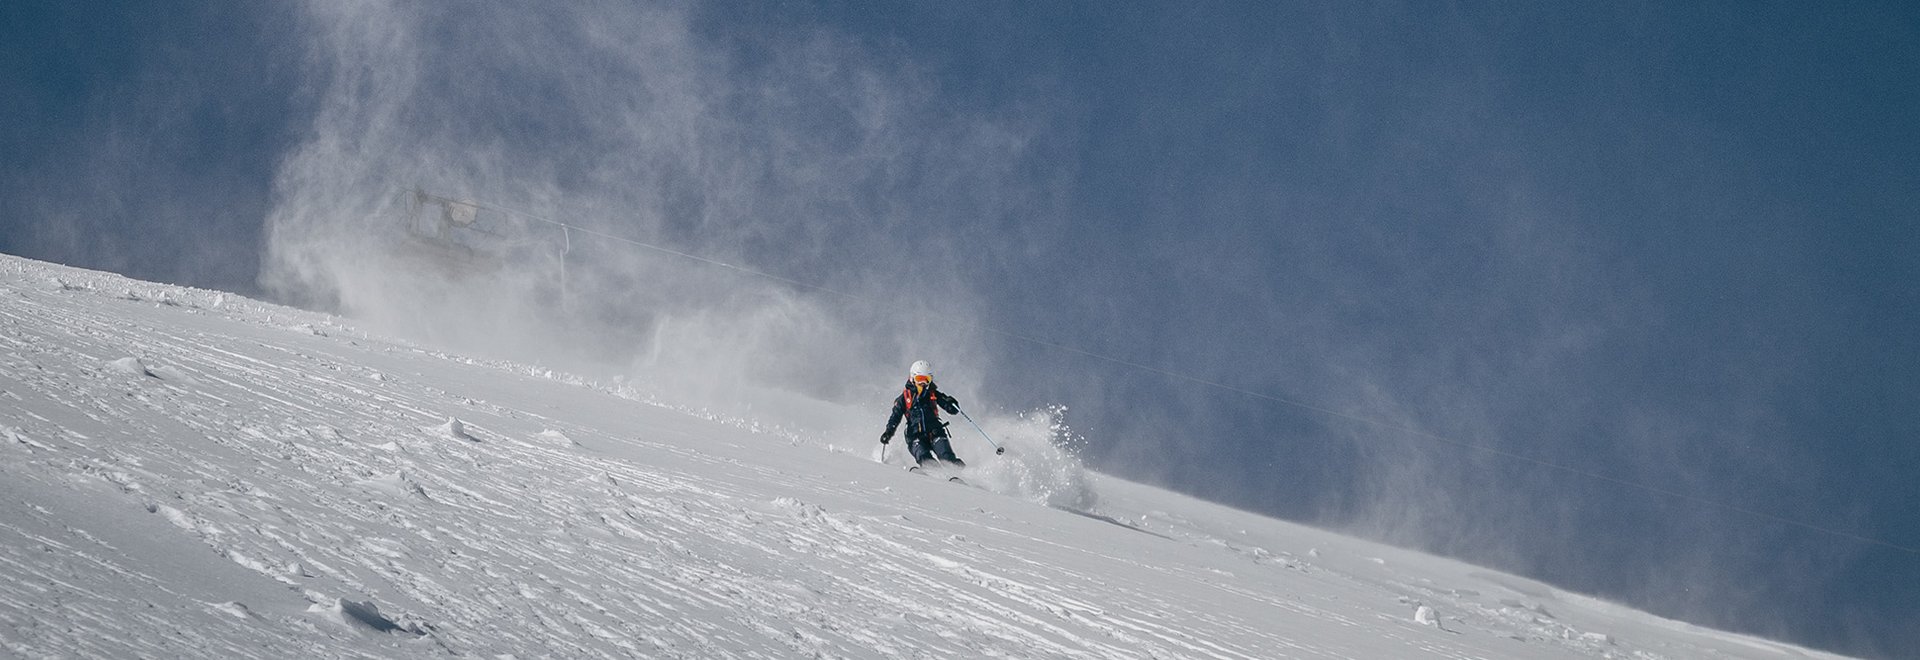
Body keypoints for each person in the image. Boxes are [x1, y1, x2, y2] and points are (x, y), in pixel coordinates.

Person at [880, 360, 965, 468]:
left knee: (946, 457)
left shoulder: (933, 394)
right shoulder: (905, 398)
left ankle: (963, 474)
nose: (923, 383)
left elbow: (952, 409)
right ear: (912, 378)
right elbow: (895, 417)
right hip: (915, 436)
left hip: (935, 432)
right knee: (924, 458)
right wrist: (888, 432)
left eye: (927, 379)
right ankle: (934, 474)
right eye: (919, 379)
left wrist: (951, 403)